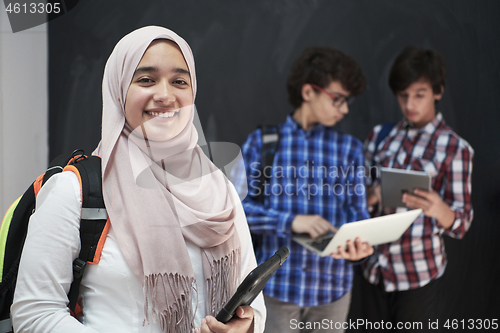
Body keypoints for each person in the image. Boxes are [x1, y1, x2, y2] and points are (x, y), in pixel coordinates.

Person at [11, 26, 265, 333]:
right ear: (119, 90)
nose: (165, 95)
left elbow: (254, 306)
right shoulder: (76, 190)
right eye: (146, 79)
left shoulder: (218, 189)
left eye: (179, 81)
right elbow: (34, 314)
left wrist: (246, 326)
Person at [234, 47, 374, 333]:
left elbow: (358, 213)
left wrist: (358, 245)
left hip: (333, 290)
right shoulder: (263, 143)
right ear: (309, 92)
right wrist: (291, 221)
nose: (345, 109)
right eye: (339, 99)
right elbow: (236, 212)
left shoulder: (350, 150)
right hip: (275, 290)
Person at [360, 46, 474, 328]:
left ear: (437, 92)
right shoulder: (380, 137)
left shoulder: (455, 148)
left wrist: (439, 208)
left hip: (418, 275)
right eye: (403, 95)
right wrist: (372, 195)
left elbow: (461, 224)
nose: (410, 104)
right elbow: (355, 201)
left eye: (419, 95)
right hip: (373, 270)